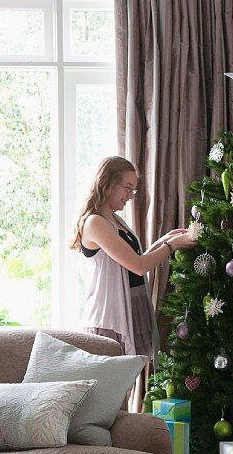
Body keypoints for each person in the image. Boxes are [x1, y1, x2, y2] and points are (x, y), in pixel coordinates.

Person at [71, 155, 195, 365]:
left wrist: (166, 239)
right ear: (107, 183)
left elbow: (135, 260)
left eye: (133, 190)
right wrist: (172, 245)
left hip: (129, 305)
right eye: (127, 188)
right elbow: (138, 266)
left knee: (126, 383)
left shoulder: (115, 220)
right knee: (114, 387)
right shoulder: (95, 223)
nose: (130, 196)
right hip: (109, 316)